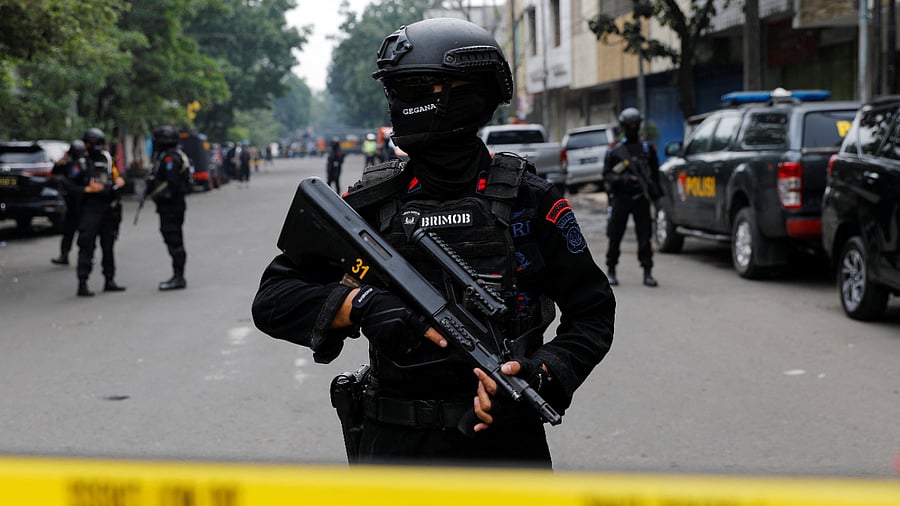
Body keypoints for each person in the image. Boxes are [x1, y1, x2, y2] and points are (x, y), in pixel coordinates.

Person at [252, 18, 615, 468]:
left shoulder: (529, 201)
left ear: (469, 93)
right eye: (396, 88)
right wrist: (361, 305)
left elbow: (593, 312)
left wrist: (541, 375)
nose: (400, 101)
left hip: (505, 445)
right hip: (395, 448)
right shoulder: (368, 206)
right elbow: (273, 300)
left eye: (415, 86)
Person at [602, 107, 662, 287]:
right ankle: (611, 269)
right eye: (630, 125)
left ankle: (647, 271)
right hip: (621, 197)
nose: (633, 127)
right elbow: (607, 175)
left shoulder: (647, 149)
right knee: (615, 235)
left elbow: (655, 175)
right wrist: (625, 179)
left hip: (641, 198)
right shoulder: (614, 150)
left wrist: (656, 195)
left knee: (645, 236)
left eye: (636, 124)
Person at [75, 128, 126, 296]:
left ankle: (109, 280)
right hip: (90, 208)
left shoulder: (107, 159)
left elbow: (116, 179)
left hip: (107, 208)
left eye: (98, 142)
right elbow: (67, 185)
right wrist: (85, 189)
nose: (95, 146)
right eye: (91, 142)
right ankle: (82, 282)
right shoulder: (80, 161)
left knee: (108, 246)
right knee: (86, 245)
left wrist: (116, 185)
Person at [146, 125, 192, 291]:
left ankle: (178, 277)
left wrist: (157, 193)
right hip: (171, 207)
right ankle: (178, 275)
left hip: (171, 207)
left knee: (174, 240)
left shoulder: (171, 158)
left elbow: (172, 186)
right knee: (172, 239)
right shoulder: (169, 156)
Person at [51, 140, 88, 265]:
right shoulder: (69, 164)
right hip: (72, 205)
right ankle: (64, 255)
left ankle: (86, 256)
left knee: (85, 233)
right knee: (68, 232)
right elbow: (55, 170)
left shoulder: (85, 164)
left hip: (82, 204)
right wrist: (63, 158)